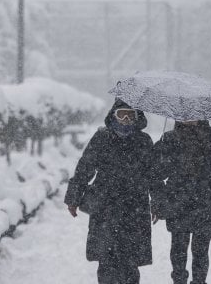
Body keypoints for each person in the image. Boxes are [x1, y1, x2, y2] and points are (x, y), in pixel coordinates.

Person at [64, 99, 154, 284]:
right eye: (122, 114)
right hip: (105, 207)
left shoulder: (144, 141)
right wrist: (73, 197)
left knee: (131, 263)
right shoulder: (102, 137)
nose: (126, 118)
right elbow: (85, 168)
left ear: (138, 117)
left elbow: (154, 176)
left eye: (131, 115)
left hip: (135, 208)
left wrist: (159, 203)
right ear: (113, 115)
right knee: (106, 260)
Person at [151, 120, 211, 284]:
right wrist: (160, 199)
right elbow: (155, 174)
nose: (189, 118)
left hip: (206, 204)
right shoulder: (169, 139)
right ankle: (179, 280)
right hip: (177, 204)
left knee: (201, 250)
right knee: (178, 249)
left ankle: (199, 281)